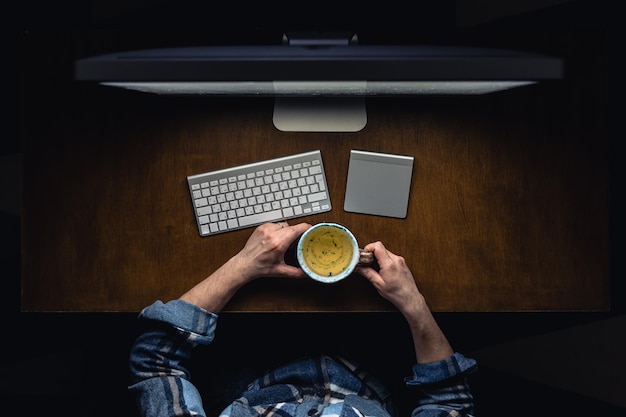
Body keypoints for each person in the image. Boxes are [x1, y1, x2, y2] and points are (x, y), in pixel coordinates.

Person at [128, 221, 477, 417]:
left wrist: (241, 266)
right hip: (378, 371)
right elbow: (448, 404)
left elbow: (157, 362)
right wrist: (413, 303)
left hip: (250, 368)